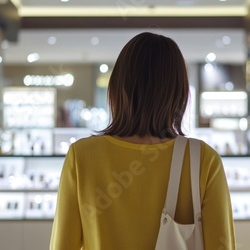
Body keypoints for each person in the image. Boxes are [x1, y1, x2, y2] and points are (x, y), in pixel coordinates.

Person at [50, 32, 236, 250]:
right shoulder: (203, 159)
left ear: (118, 88)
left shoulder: (82, 156)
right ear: (179, 93)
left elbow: (63, 245)